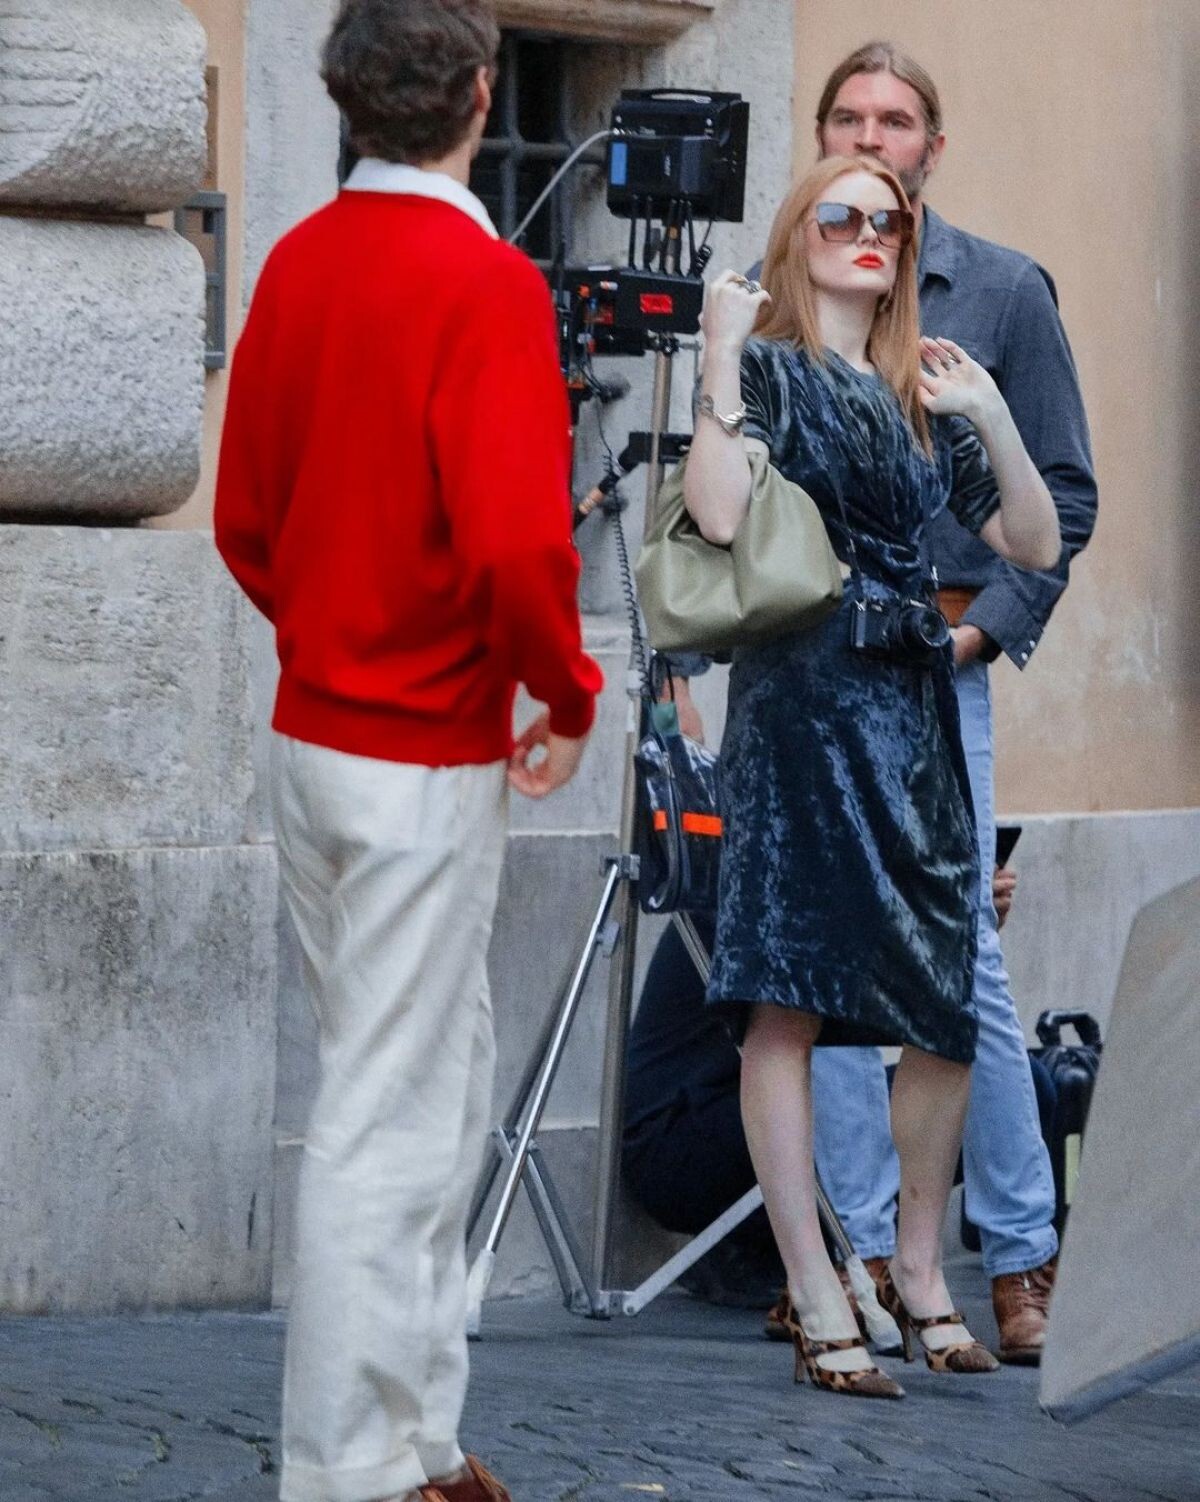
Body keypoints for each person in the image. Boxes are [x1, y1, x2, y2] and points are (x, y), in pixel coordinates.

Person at [213, 3, 603, 1499]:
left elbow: (247, 518)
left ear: (345, 98)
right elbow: (515, 543)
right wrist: (564, 691)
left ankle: (417, 1440)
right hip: (419, 748)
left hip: (321, 731)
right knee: (387, 1117)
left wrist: (341, 628)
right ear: (482, 96)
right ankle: (352, 1471)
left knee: (432, 1085)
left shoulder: (300, 263)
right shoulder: (487, 283)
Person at [674, 41, 1097, 1366]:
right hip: (803, 706)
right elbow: (717, 515)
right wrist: (717, 362)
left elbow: (1036, 537)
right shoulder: (774, 370)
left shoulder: (925, 381)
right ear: (800, 234)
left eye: (887, 221)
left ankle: (919, 1262)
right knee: (789, 995)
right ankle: (820, 1280)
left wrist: (993, 419)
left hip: (914, 706)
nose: (866, 233)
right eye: (839, 217)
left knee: (940, 992)